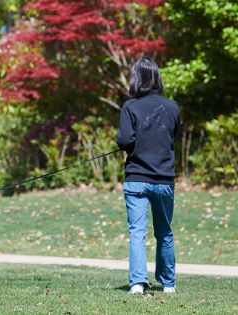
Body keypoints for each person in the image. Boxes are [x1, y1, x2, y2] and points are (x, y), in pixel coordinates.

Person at [116, 56, 179, 295]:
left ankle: (137, 283)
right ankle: (168, 283)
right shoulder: (172, 106)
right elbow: (172, 137)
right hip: (164, 178)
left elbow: (124, 140)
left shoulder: (130, 107)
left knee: (137, 232)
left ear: (136, 79)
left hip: (136, 179)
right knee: (164, 231)